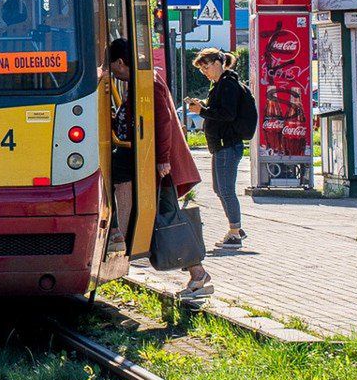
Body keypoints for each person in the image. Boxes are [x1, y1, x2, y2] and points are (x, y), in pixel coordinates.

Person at [108, 39, 211, 301]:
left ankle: (199, 274)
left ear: (121, 62)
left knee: (168, 215)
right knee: (166, 215)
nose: (113, 74)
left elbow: (163, 122)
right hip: (150, 162)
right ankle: (197, 273)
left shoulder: (148, 83)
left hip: (159, 165)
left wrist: (163, 159)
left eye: (114, 68)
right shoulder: (141, 81)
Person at [187, 48, 252, 248]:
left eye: (205, 67)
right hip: (221, 145)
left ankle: (235, 232)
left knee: (226, 189)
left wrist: (202, 110)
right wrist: (203, 106)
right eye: (201, 70)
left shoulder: (228, 85)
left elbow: (227, 114)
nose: (204, 72)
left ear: (217, 63)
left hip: (227, 144)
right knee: (219, 188)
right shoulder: (219, 85)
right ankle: (236, 228)